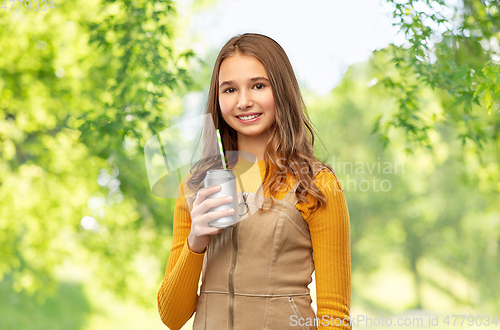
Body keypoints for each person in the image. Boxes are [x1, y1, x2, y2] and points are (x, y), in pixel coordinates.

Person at [157, 33, 351, 330]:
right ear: (217, 98)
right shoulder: (194, 186)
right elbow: (172, 317)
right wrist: (196, 241)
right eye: (230, 89)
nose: (244, 101)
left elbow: (334, 317)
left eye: (258, 85)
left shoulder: (316, 185)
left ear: (281, 90)